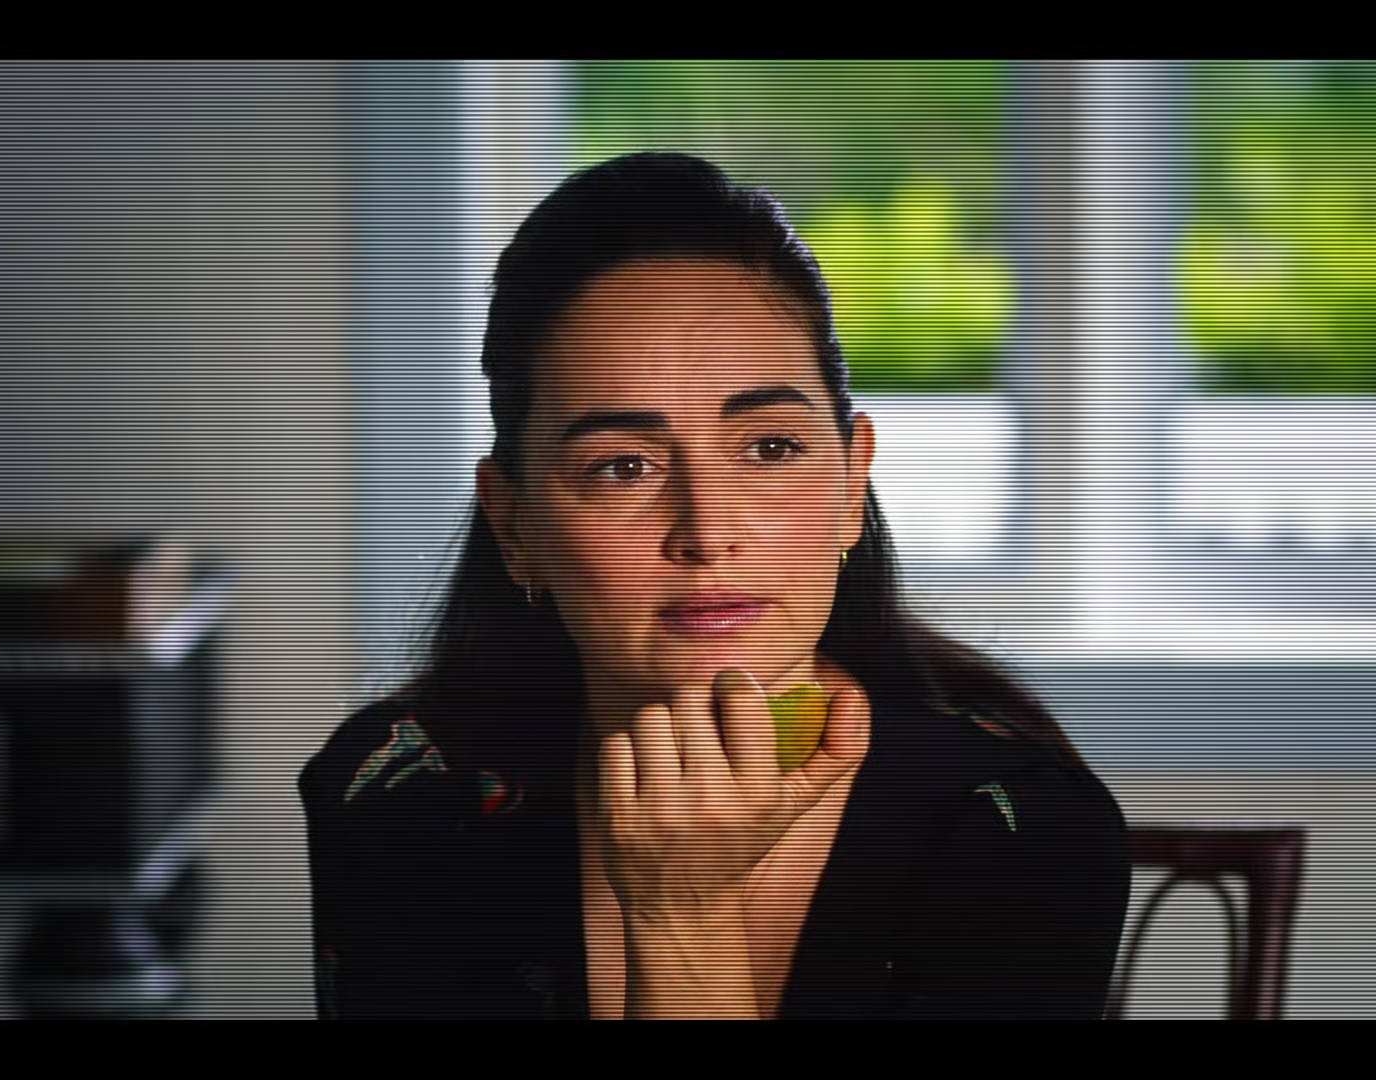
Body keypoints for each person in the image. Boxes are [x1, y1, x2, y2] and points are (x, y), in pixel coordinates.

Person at [298, 151, 1129, 1020]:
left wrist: (682, 914)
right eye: (623, 466)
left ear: (851, 485)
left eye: (770, 449)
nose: (705, 531)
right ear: (515, 525)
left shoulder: (1020, 827)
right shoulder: (401, 791)